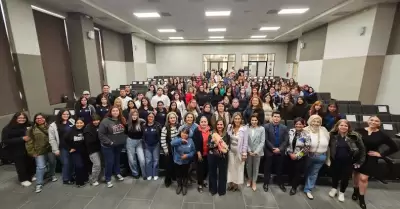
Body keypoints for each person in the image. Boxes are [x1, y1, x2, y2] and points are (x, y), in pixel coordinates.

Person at [352, 116, 398, 209]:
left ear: (379, 124)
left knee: (364, 178)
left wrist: (381, 154)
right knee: (356, 174)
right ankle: (355, 190)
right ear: (367, 121)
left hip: (370, 157)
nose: (373, 122)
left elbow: (394, 147)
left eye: (376, 121)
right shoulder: (358, 130)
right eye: (371, 120)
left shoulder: (382, 135)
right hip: (358, 156)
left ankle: (361, 199)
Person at [328, 119, 365, 202]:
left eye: (346, 126)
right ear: (337, 126)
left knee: (345, 177)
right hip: (335, 159)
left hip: (349, 161)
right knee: (335, 175)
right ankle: (334, 189)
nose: (343, 127)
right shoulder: (332, 135)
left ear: (348, 127)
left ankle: (342, 192)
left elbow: (362, 149)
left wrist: (360, 162)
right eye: (341, 125)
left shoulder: (355, 136)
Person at [1, 112, 35, 187]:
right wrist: (21, 139)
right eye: (19, 118)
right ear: (15, 118)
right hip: (16, 149)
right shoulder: (8, 128)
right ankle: (23, 179)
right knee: (20, 164)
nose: (22, 119)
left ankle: (30, 176)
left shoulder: (28, 124)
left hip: (28, 147)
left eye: (23, 118)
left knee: (30, 162)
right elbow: (5, 140)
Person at [26, 113, 57, 193]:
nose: (40, 119)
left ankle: (51, 174)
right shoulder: (31, 129)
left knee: (52, 162)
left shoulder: (50, 126)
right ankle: (39, 183)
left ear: (44, 119)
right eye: (37, 118)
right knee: (40, 167)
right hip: (39, 152)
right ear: (35, 120)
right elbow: (29, 142)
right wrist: (32, 152)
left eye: (41, 118)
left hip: (50, 149)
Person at [98, 106, 127, 188]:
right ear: (110, 112)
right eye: (113, 111)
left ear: (119, 112)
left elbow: (124, 131)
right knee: (109, 162)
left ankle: (117, 173)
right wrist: (110, 142)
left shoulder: (121, 119)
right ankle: (108, 178)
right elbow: (101, 135)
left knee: (117, 160)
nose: (115, 112)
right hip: (108, 146)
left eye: (117, 111)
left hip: (118, 145)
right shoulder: (105, 121)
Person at [303, 115, 330, 199]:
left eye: (318, 121)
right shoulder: (305, 130)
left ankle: (308, 189)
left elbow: (329, 144)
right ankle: (303, 184)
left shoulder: (324, 130)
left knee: (314, 173)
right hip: (308, 155)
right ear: (310, 121)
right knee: (305, 171)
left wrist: (328, 158)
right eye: (314, 121)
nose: (316, 123)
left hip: (321, 156)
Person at [263, 111, 288, 193]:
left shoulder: (284, 127)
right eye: (275, 116)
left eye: (278, 117)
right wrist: (273, 148)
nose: (276, 118)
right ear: (272, 117)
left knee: (279, 168)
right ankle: (266, 183)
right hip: (269, 151)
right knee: (267, 168)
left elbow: (286, 140)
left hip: (280, 151)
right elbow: (266, 139)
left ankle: (280, 183)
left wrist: (279, 149)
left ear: (280, 118)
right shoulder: (266, 126)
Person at [48, 109, 75, 185]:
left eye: (67, 114)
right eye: (64, 114)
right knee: (65, 163)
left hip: (71, 146)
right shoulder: (53, 125)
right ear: (60, 115)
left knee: (72, 162)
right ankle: (66, 179)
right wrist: (55, 150)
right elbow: (52, 139)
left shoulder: (72, 121)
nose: (66, 116)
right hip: (62, 147)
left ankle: (72, 176)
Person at [286, 117, 311, 195]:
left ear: (303, 125)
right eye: (297, 124)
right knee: (290, 170)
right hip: (289, 155)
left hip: (300, 157)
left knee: (297, 172)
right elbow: (286, 142)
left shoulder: (306, 134)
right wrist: (290, 153)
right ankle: (290, 182)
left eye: (300, 124)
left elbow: (307, 147)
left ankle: (294, 187)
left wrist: (297, 156)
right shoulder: (290, 131)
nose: (298, 125)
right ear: (294, 125)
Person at [226, 112, 248, 192]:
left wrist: (244, 153)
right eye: (235, 118)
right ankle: (231, 183)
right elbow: (227, 138)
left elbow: (245, 142)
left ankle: (236, 184)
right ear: (233, 119)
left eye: (239, 119)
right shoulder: (230, 127)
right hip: (231, 151)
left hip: (240, 152)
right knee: (231, 167)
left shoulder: (244, 129)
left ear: (241, 119)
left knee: (238, 168)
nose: (237, 120)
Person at [171, 127, 196, 196]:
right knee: (178, 174)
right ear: (180, 133)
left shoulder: (191, 140)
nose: (184, 135)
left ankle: (184, 186)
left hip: (186, 162)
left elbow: (193, 151)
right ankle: (179, 185)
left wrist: (187, 156)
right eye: (183, 133)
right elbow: (172, 143)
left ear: (188, 134)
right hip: (177, 161)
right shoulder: (177, 139)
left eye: (186, 133)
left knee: (185, 174)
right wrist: (181, 140)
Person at [208, 119, 230, 196]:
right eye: (218, 124)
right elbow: (209, 145)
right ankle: (213, 189)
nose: (220, 126)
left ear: (224, 125)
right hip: (213, 156)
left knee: (222, 174)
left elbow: (228, 146)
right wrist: (215, 144)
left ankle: (222, 190)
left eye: (221, 124)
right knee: (212, 173)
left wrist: (223, 148)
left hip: (223, 157)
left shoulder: (226, 134)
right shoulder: (211, 133)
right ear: (216, 125)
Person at [64, 118, 88, 187]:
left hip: (84, 151)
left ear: (84, 123)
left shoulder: (85, 130)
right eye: (77, 123)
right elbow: (64, 141)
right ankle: (79, 182)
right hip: (75, 152)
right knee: (79, 165)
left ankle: (85, 178)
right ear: (75, 123)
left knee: (84, 165)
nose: (79, 124)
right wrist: (69, 148)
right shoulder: (71, 131)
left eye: (81, 123)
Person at [246, 114, 265, 191]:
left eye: (255, 120)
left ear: (258, 121)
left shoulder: (262, 129)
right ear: (250, 121)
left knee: (256, 167)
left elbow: (262, 142)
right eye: (252, 120)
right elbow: (245, 141)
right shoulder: (247, 128)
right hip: (249, 152)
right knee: (248, 167)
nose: (254, 122)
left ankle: (254, 181)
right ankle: (249, 179)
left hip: (258, 152)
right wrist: (249, 150)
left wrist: (256, 151)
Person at [161, 112, 180, 187]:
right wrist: (165, 150)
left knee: (176, 164)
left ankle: (174, 176)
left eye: (174, 118)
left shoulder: (179, 127)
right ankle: (167, 180)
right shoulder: (165, 128)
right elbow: (162, 140)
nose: (173, 119)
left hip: (177, 149)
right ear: (168, 119)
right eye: (171, 118)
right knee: (169, 165)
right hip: (169, 149)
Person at [126, 110, 146, 180]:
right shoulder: (128, 123)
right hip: (130, 141)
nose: (134, 116)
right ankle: (135, 173)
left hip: (139, 141)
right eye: (133, 115)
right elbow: (125, 132)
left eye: (136, 115)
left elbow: (145, 131)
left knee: (142, 159)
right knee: (132, 159)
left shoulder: (142, 122)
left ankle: (144, 173)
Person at [193, 116, 211, 193]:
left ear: (207, 122)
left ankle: (204, 180)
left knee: (206, 169)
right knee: (200, 169)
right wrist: (198, 152)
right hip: (200, 153)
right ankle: (200, 184)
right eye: (202, 122)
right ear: (199, 123)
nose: (203, 123)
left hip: (209, 153)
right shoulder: (196, 131)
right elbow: (195, 142)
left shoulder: (211, 130)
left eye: (205, 121)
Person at [83, 114, 102, 186]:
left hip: (100, 148)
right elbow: (89, 141)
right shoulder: (88, 128)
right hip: (92, 150)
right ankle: (93, 180)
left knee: (101, 164)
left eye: (97, 120)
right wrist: (100, 138)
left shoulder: (100, 125)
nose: (96, 122)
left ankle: (98, 177)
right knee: (97, 165)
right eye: (94, 120)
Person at [143, 112, 162, 180]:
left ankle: (155, 174)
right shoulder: (144, 125)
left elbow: (160, 134)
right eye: (149, 117)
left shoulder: (158, 125)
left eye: (152, 117)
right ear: (147, 118)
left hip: (156, 145)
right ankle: (149, 174)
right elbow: (142, 136)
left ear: (154, 118)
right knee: (148, 160)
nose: (150, 118)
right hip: (147, 145)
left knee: (156, 160)